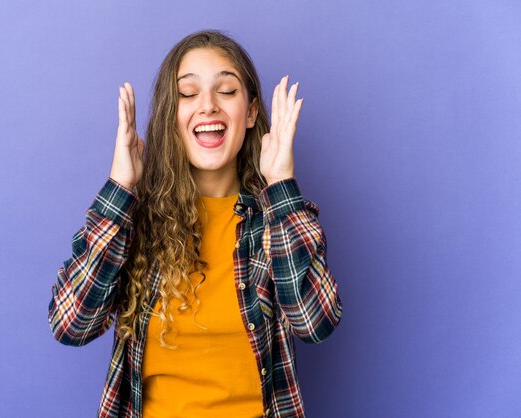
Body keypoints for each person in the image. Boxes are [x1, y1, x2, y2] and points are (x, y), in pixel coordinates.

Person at [48, 30, 342, 418]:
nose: (207, 106)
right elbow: (71, 324)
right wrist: (121, 188)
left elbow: (314, 322)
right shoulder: (137, 221)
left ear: (251, 112)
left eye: (226, 91)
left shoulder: (277, 217)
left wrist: (280, 185)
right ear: (172, 114)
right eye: (188, 94)